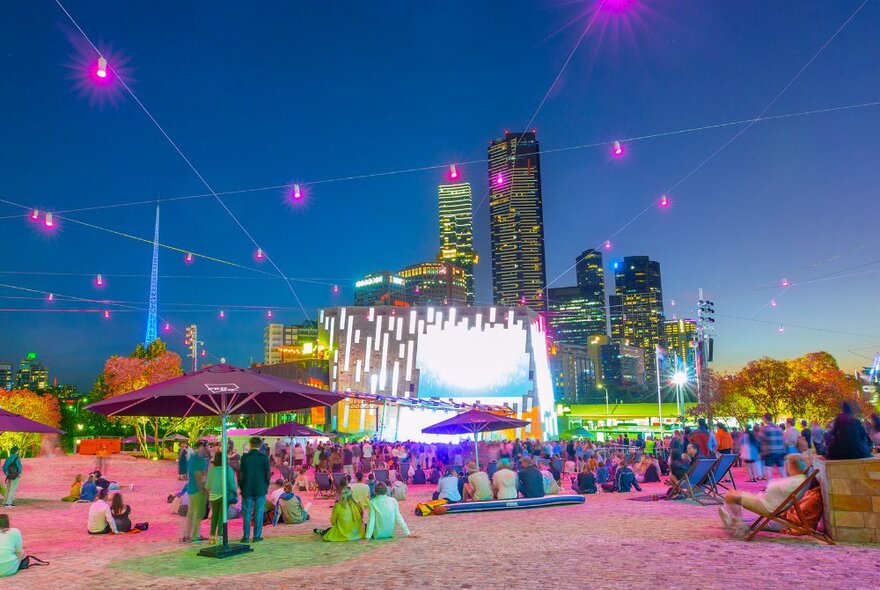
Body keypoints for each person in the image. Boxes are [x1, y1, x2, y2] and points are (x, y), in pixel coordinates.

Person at [719, 454, 808, 538]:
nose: (786, 467)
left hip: (768, 506)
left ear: (792, 466)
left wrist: (773, 485)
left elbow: (775, 487)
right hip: (768, 502)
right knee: (733, 493)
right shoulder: (799, 479)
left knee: (730, 496)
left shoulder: (796, 480)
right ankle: (736, 522)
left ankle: (738, 525)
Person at [239, 436, 271, 543]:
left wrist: (241, 486)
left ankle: (245, 536)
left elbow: (240, 474)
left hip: (247, 488)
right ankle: (257, 536)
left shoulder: (245, 458)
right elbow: (267, 474)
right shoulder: (263, 458)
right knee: (259, 512)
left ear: (250, 444)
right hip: (260, 488)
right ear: (260, 445)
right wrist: (266, 486)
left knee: (247, 513)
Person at [206, 451, 236, 545]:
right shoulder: (228, 469)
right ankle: (220, 536)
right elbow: (231, 483)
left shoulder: (212, 470)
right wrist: (234, 492)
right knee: (222, 517)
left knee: (214, 516)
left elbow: (207, 485)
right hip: (224, 495)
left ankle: (211, 537)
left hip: (213, 496)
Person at [184, 441, 209, 543]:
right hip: (197, 490)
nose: (208, 449)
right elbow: (198, 475)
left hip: (191, 489)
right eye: (207, 447)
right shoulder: (199, 460)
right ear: (201, 447)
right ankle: (195, 535)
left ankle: (188, 535)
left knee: (191, 513)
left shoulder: (193, 458)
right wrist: (203, 490)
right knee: (198, 514)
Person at [758, 414, 786, 481]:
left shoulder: (764, 428)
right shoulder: (779, 429)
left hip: (769, 452)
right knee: (781, 469)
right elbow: (782, 440)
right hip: (780, 451)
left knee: (768, 469)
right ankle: (787, 485)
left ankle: (770, 486)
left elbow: (759, 440)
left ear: (765, 418)